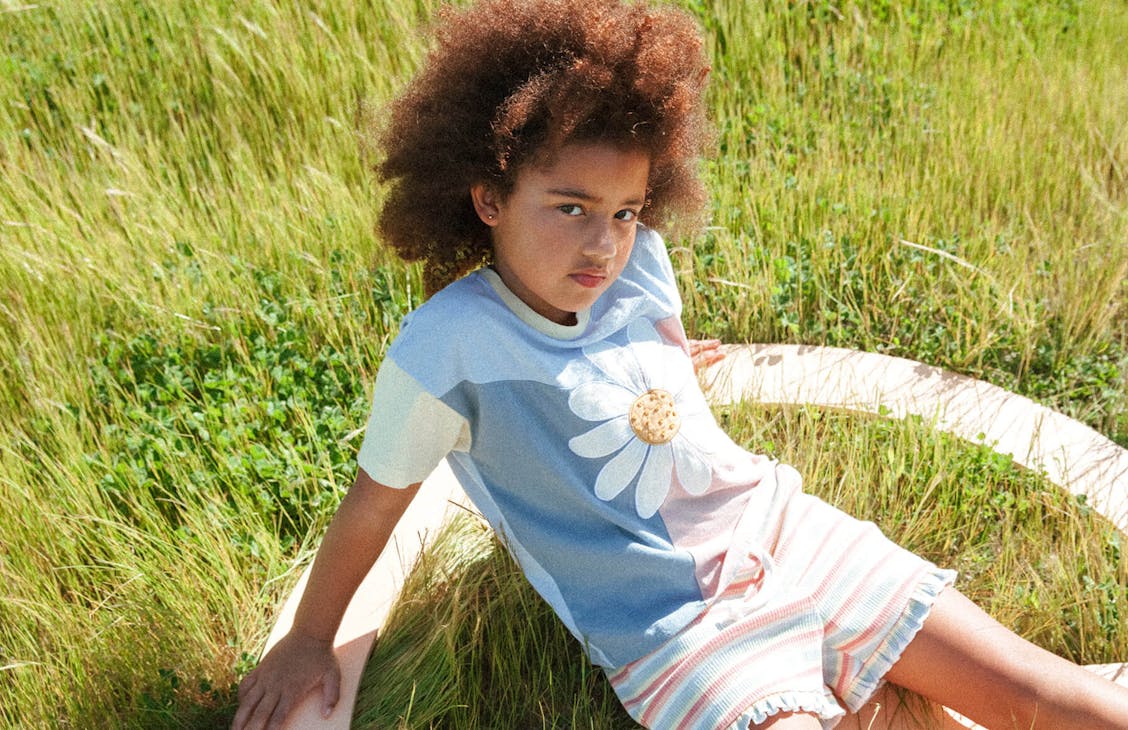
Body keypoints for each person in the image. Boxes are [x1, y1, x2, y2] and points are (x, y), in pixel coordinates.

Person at [232, 1, 1128, 728]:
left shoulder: (640, 264)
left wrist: (663, 381)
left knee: (1053, 700)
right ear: (489, 196)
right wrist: (313, 637)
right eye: (572, 207)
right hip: (674, 630)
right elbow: (373, 505)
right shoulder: (446, 349)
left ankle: (876, 696)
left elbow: (639, 359)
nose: (605, 242)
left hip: (786, 534)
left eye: (624, 210)